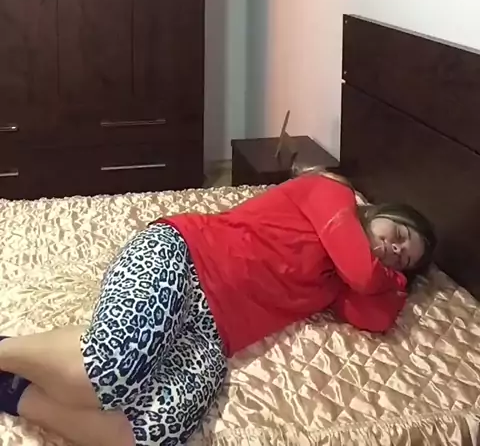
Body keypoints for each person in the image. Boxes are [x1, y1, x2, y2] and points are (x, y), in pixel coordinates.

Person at [0, 172, 436, 446]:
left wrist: (396, 283)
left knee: (156, 431)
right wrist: (388, 274)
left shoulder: (341, 282)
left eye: (403, 260)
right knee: (113, 373)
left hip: (211, 334)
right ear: (382, 211)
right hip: (183, 257)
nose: (393, 250)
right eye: (398, 235)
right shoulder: (332, 193)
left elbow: (375, 318)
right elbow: (362, 272)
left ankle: (14, 393)